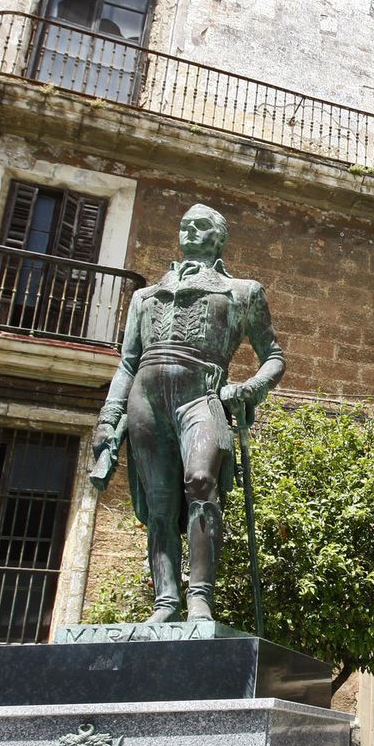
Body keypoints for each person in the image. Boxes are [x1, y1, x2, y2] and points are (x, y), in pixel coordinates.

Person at [92, 204, 285, 622]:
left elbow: (273, 356)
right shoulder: (145, 296)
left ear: (219, 237)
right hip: (145, 400)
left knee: (200, 481)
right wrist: (109, 418)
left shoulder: (242, 291)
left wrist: (250, 388)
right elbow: (127, 363)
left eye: (200, 226)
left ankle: (200, 597)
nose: (190, 231)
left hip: (201, 396)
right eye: (184, 225)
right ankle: (165, 602)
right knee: (160, 504)